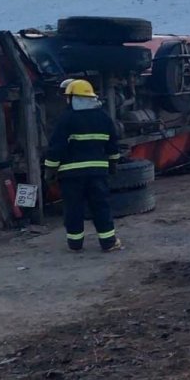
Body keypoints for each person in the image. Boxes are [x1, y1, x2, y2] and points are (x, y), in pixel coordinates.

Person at [43, 79, 123, 252]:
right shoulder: (104, 117)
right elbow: (113, 145)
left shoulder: (67, 119)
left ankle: (75, 244)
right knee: (101, 206)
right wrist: (113, 164)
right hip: (97, 173)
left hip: (71, 175)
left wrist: (50, 170)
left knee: (73, 208)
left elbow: (57, 147)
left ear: (73, 98)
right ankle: (108, 242)